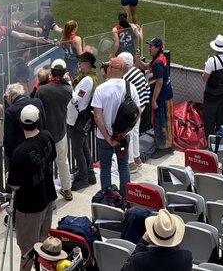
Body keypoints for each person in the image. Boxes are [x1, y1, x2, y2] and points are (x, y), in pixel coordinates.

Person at [8, 103, 58, 271]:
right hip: (47, 197)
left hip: (29, 208)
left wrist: (9, 176)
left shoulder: (20, 152)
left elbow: (15, 185)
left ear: (21, 123)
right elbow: (52, 156)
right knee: (43, 239)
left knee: (27, 249)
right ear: (38, 120)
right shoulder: (47, 136)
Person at [92, 56, 138, 192]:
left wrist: (107, 137)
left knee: (105, 168)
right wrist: (122, 134)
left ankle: (108, 199)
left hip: (104, 137)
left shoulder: (101, 89)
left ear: (111, 68)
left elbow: (97, 116)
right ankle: (125, 197)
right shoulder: (131, 87)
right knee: (123, 166)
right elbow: (137, 112)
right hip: (123, 137)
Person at [33, 61, 74, 200]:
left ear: (51, 72)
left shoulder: (41, 90)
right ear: (64, 72)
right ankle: (67, 189)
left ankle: (50, 197)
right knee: (63, 161)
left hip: (44, 133)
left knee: (46, 166)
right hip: (60, 131)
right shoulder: (68, 90)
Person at [122, 208, 192, 271]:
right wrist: (171, 238)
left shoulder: (138, 260)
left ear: (151, 234)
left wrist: (142, 243)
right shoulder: (186, 257)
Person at [67, 51, 97, 190]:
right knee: (83, 147)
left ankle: (83, 178)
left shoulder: (86, 80)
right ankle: (89, 174)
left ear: (88, 64)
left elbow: (75, 100)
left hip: (77, 118)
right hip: (80, 117)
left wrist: (67, 83)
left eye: (82, 61)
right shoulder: (88, 78)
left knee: (78, 149)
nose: (79, 64)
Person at [141, 38, 172, 158]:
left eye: (151, 46)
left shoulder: (158, 62)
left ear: (158, 48)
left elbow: (159, 82)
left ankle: (162, 147)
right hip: (165, 95)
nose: (149, 48)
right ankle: (166, 144)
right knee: (164, 121)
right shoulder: (161, 58)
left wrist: (153, 100)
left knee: (160, 122)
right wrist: (138, 60)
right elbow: (145, 66)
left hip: (161, 97)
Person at [201, 34, 223, 133]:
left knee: (209, 118)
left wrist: (205, 68)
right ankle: (222, 138)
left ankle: (210, 140)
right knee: (221, 117)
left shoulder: (211, 61)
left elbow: (205, 78)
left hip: (212, 94)